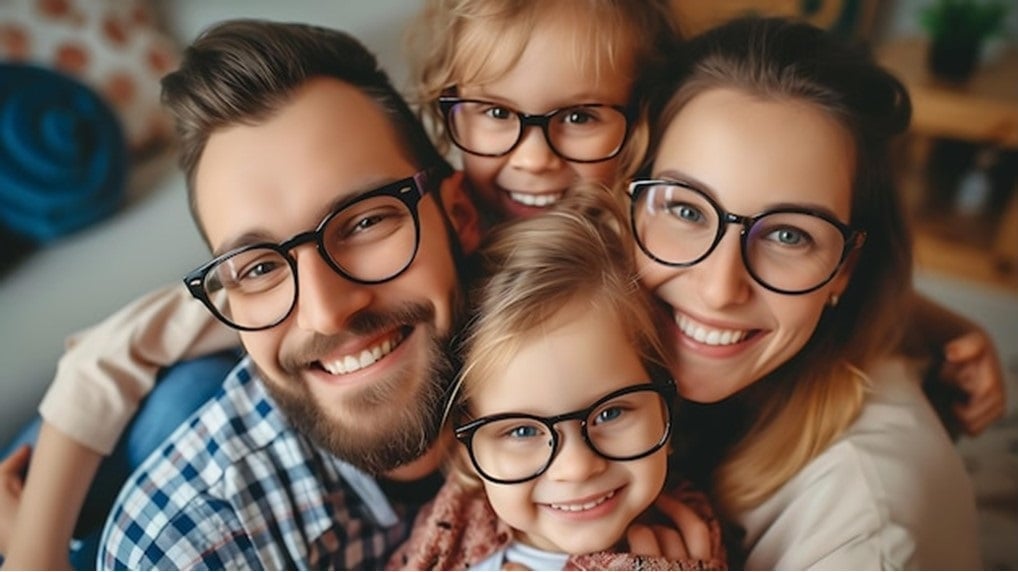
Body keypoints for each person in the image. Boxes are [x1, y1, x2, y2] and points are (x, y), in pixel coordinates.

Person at [0, 1, 682, 569]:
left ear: (459, 216)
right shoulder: (202, 536)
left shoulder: (581, 283)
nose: (325, 307)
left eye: (363, 221)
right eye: (259, 266)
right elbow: (104, 358)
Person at [629, 16, 982, 568]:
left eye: (788, 235)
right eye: (685, 209)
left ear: (845, 268)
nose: (721, 288)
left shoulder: (865, 531)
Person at [389, 187, 726, 570]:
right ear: (469, 450)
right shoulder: (444, 536)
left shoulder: (693, 540)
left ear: (665, 409)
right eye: (521, 432)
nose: (577, 467)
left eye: (611, 413)